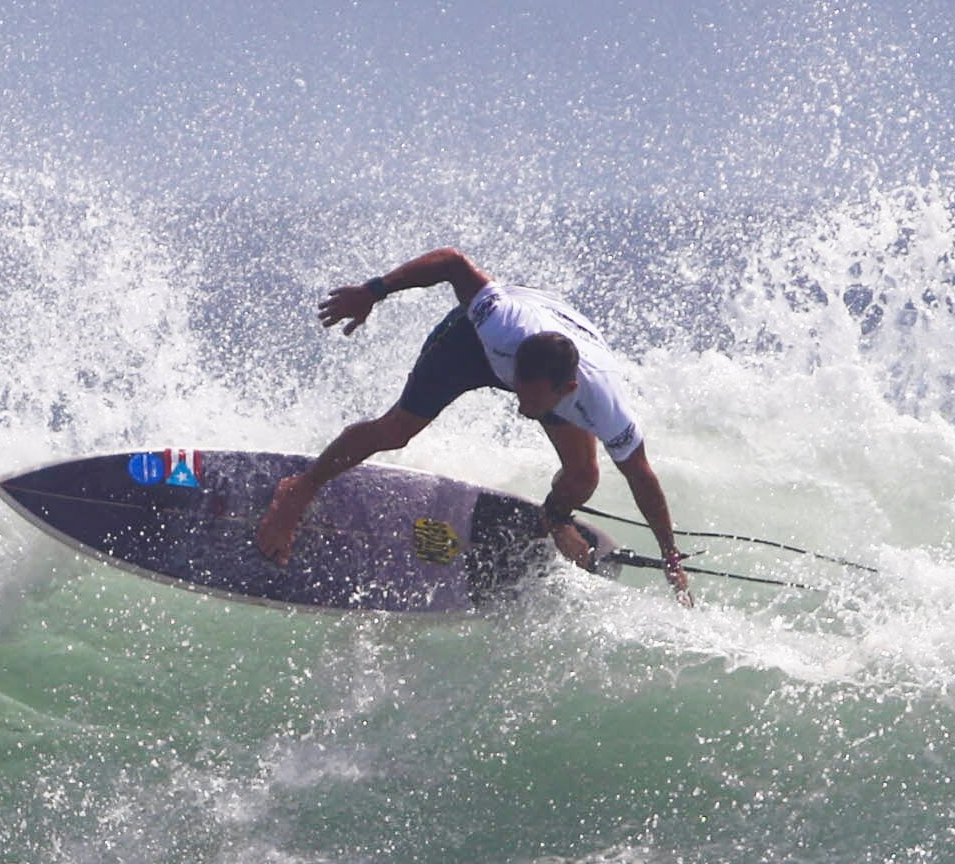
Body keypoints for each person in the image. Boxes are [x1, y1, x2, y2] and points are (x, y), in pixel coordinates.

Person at [255, 249, 695, 604]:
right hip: (469, 346)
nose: (522, 406)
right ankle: (301, 488)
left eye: (534, 399)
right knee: (397, 430)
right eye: (519, 390)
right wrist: (374, 291)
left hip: (559, 357)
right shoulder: (502, 326)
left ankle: (555, 518)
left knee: (584, 476)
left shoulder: (602, 403)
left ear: (567, 390)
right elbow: (451, 262)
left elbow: (642, 476)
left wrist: (670, 555)